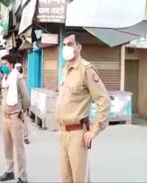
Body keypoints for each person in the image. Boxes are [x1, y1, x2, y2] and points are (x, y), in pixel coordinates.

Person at [55, 32, 110, 183]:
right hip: (64, 133)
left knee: (79, 179)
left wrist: (94, 130)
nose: (66, 48)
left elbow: (103, 100)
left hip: (77, 135)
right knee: (66, 179)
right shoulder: (65, 70)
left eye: (70, 44)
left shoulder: (86, 70)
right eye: (64, 45)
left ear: (79, 47)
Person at [0, 54, 30, 183]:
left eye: (5, 64)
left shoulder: (18, 79)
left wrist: (21, 111)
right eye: (3, 64)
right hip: (5, 118)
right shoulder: (5, 79)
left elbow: (26, 98)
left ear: (11, 65)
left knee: (18, 148)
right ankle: (10, 171)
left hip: (15, 117)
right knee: (7, 147)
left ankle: (23, 176)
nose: (3, 66)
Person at [15, 63, 30, 145]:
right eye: (18, 68)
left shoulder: (21, 79)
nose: (19, 69)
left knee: (23, 120)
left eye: (19, 68)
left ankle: (25, 136)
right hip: (15, 103)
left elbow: (25, 94)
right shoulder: (14, 77)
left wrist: (25, 105)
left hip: (21, 103)